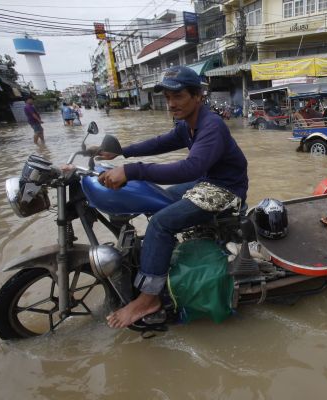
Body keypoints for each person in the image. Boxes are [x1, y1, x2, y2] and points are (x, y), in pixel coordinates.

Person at [97, 66, 249, 329]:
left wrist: (132, 171)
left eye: (177, 96)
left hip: (226, 189)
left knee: (161, 223)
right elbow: (160, 143)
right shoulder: (187, 124)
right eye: (167, 97)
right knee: (158, 200)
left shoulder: (211, 126)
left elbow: (190, 168)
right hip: (208, 181)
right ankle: (161, 260)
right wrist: (120, 153)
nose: (171, 104)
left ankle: (148, 299)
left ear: (197, 96)